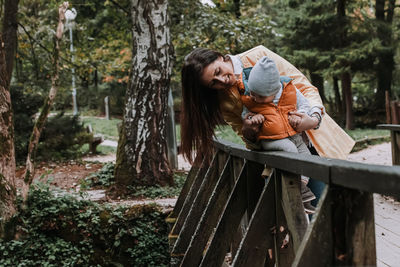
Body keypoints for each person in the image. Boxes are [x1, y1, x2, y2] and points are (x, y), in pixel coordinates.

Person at [180, 45, 355, 206]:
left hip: (313, 142)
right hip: (280, 155)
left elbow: (304, 88)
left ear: (219, 57)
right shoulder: (223, 100)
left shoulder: (259, 56)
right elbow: (251, 143)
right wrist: (249, 132)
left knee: (325, 207)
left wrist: (313, 119)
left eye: (218, 71)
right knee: (297, 213)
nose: (222, 81)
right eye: (213, 83)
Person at [241, 56, 317, 213]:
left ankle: (301, 187)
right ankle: (294, 192)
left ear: (274, 89)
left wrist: (299, 114)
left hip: (293, 134)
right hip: (270, 139)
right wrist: (252, 119)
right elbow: (245, 116)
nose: (255, 98)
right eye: (253, 93)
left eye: (260, 96)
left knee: (307, 156)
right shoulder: (251, 99)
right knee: (289, 149)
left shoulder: (289, 90)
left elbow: (304, 105)